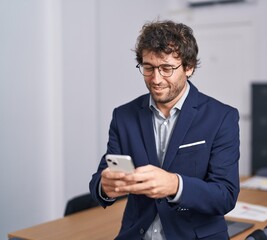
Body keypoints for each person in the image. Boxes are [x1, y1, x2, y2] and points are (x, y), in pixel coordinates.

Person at [89, 20, 240, 240]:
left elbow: (225, 196)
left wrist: (175, 185)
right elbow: (100, 181)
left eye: (167, 68)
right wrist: (105, 187)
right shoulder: (123, 116)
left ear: (189, 67)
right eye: (148, 67)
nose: (156, 79)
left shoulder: (221, 117)